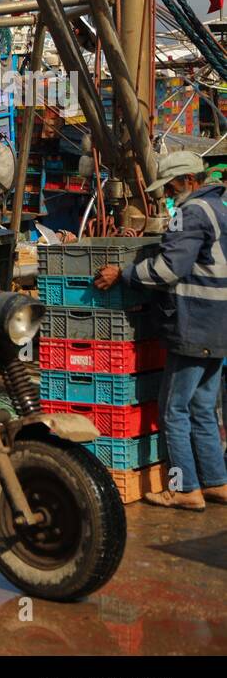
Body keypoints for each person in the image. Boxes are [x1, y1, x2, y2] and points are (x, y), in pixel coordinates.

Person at [95, 150, 227, 510]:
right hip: (218, 327)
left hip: (194, 324)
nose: (168, 196)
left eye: (170, 188)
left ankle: (184, 488)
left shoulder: (190, 213)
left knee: (173, 410)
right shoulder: (221, 209)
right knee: (202, 407)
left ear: (188, 181)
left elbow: (169, 269)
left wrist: (123, 273)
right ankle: (216, 481)